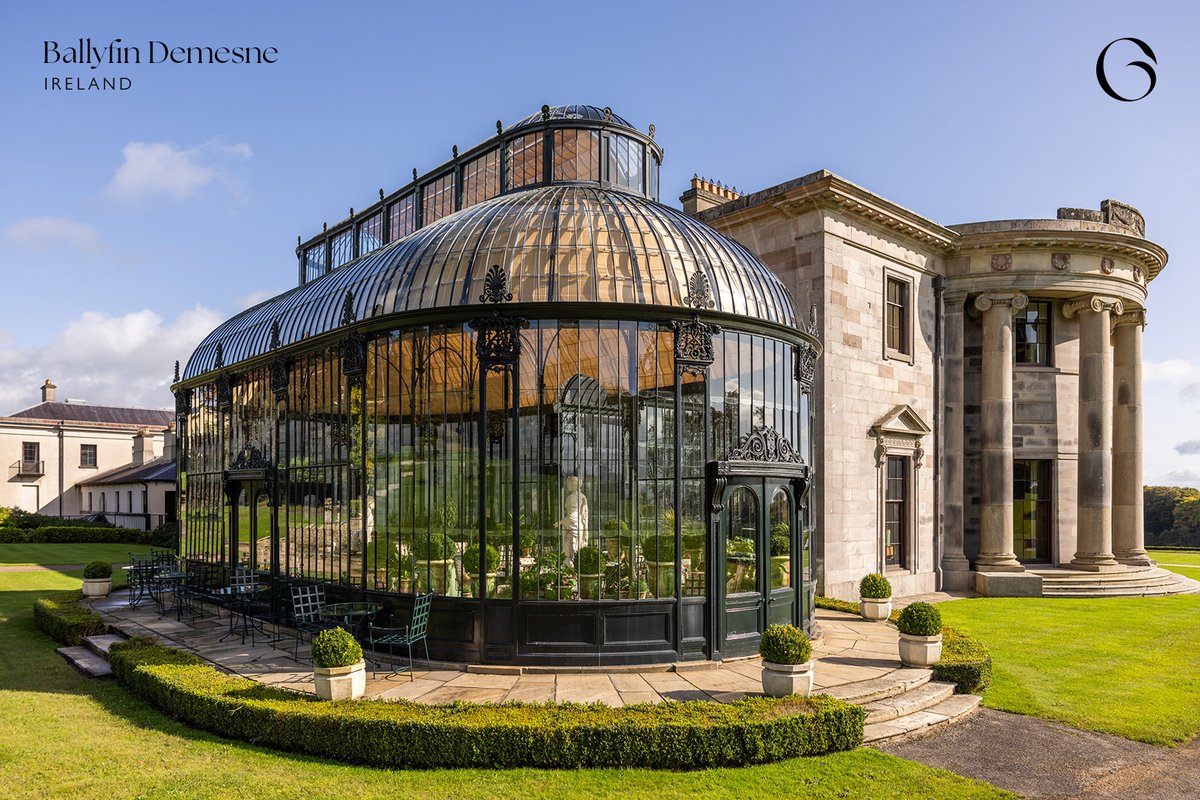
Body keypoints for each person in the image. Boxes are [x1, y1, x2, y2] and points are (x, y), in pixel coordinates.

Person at [557, 474, 589, 562]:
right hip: (578, 525)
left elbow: (573, 516)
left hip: (575, 526)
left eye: (568, 484)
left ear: (573, 485)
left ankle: (571, 568)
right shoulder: (581, 496)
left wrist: (561, 522)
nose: (567, 486)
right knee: (571, 547)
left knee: (570, 547)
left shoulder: (574, 497)